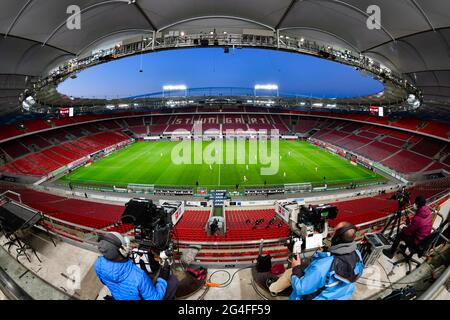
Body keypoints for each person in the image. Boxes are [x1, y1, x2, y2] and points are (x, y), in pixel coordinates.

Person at [269, 221, 364, 300]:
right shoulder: (357, 254)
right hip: (340, 295)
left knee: (290, 273)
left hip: (314, 296)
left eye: (333, 232)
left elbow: (301, 288)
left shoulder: (321, 267)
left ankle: (273, 288)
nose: (331, 233)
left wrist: (296, 267)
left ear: (337, 238)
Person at [95, 232, 178, 300]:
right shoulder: (138, 276)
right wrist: (163, 277)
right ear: (122, 251)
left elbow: (104, 282)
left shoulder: (98, 263)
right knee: (173, 281)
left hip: (119, 297)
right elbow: (155, 298)